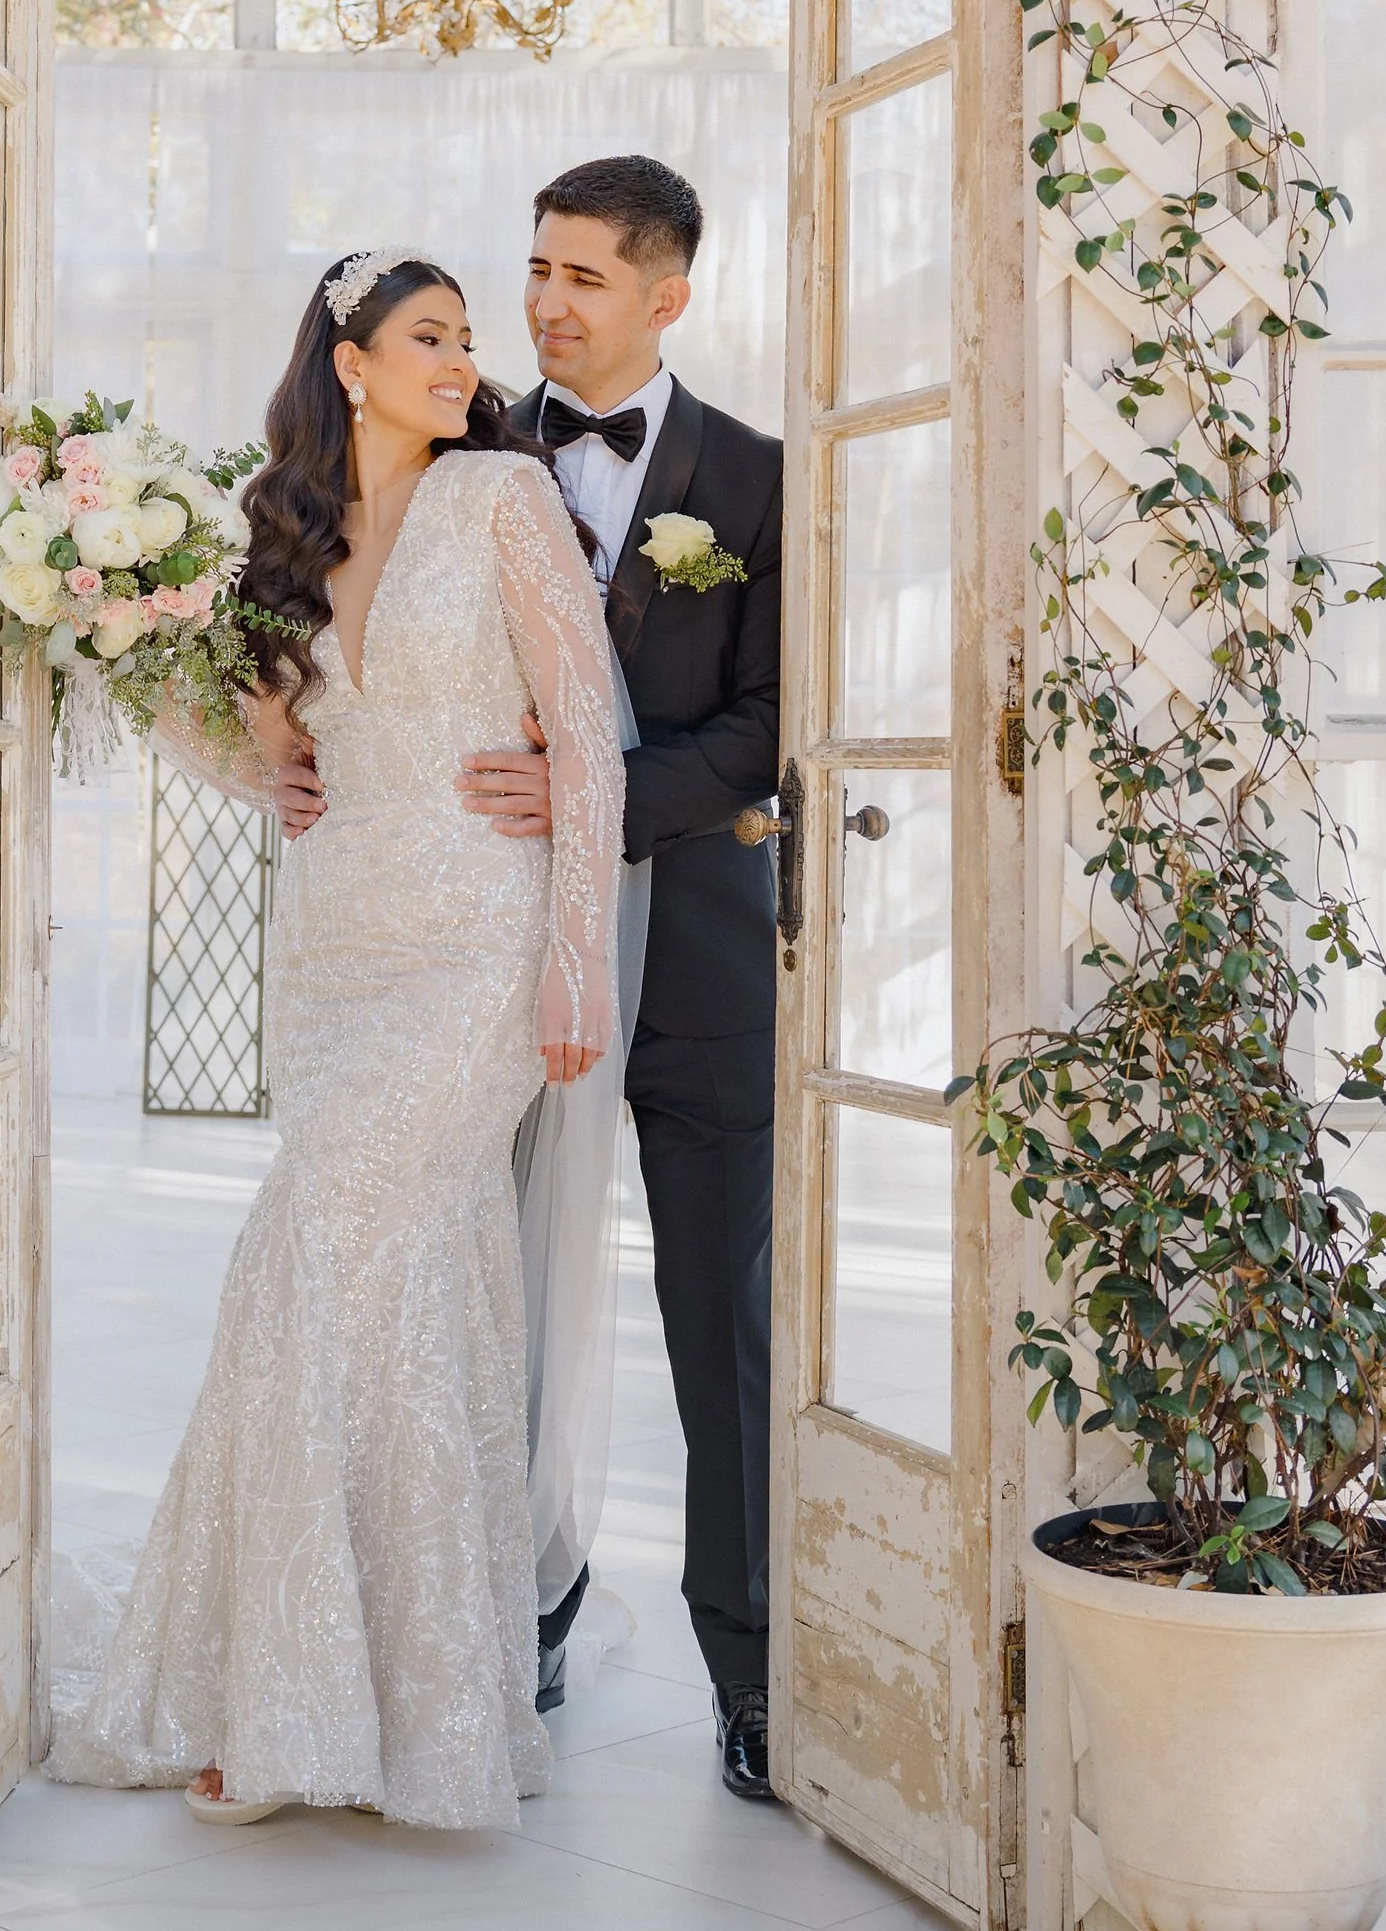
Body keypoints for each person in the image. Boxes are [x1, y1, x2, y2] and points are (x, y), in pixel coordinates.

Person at [50, 251, 622, 1831]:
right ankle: (377, 1694)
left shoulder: (505, 498)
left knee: (312, 1251)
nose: (465, 360)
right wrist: (266, 775)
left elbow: (588, 735)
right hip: (334, 950)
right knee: (402, 1285)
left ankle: (300, 1701)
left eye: (465, 340)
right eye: (429, 339)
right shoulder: (272, 526)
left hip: (478, 949)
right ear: (350, 362)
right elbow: (226, 719)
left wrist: (579, 964)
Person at [479, 157, 783, 1804]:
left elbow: (770, 721)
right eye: (537, 268)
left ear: (669, 295)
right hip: (495, 956)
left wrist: (598, 785)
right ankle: (515, 1606)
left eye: (585, 276)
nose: (546, 303)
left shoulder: (759, 477)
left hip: (707, 970)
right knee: (494, 1299)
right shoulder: (463, 451)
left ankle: (751, 1670)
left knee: (719, 1330)